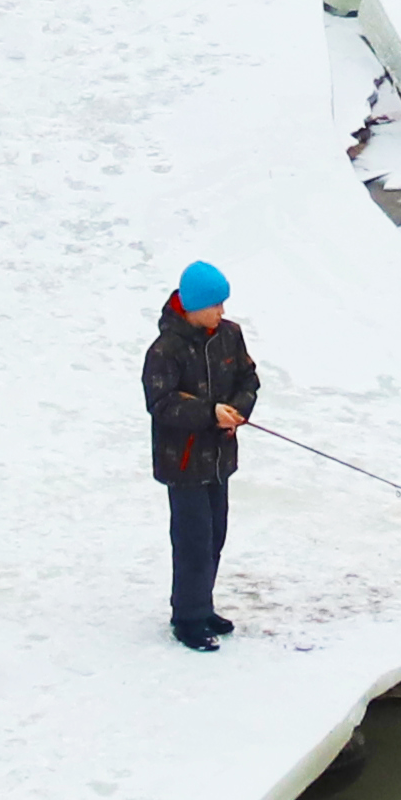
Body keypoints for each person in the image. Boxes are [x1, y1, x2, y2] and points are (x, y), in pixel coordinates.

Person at [141, 260, 258, 651]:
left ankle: (202, 605)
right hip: (184, 461)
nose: (221, 312)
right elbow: (161, 403)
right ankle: (187, 618)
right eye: (214, 305)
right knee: (192, 539)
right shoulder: (164, 350)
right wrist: (209, 413)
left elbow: (248, 380)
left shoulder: (230, 336)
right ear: (191, 306)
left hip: (220, 458)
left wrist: (238, 410)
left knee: (215, 535)